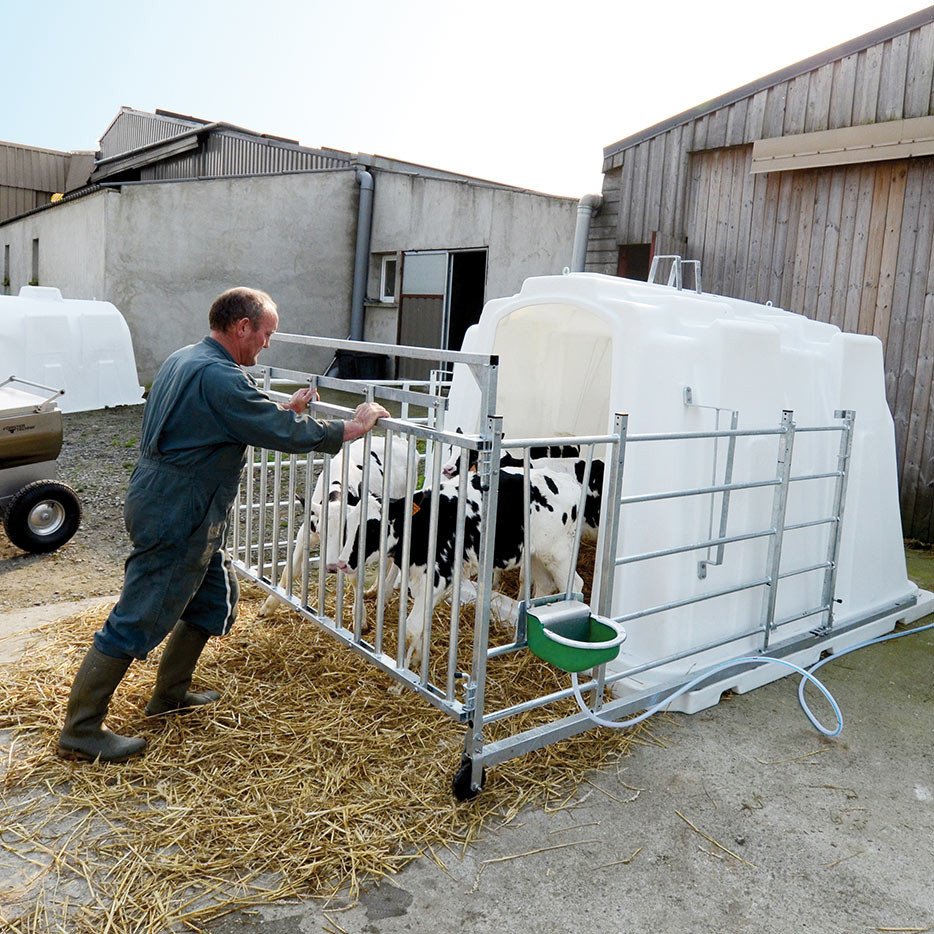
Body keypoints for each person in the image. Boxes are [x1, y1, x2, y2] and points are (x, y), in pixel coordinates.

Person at [58, 287, 389, 763]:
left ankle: (169, 695)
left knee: (212, 596)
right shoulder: (218, 376)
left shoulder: (186, 359)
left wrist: (285, 412)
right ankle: (81, 729)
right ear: (242, 328)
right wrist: (347, 430)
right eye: (266, 334)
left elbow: (229, 420)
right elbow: (260, 423)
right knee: (140, 612)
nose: (268, 345)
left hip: (173, 499)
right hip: (181, 508)